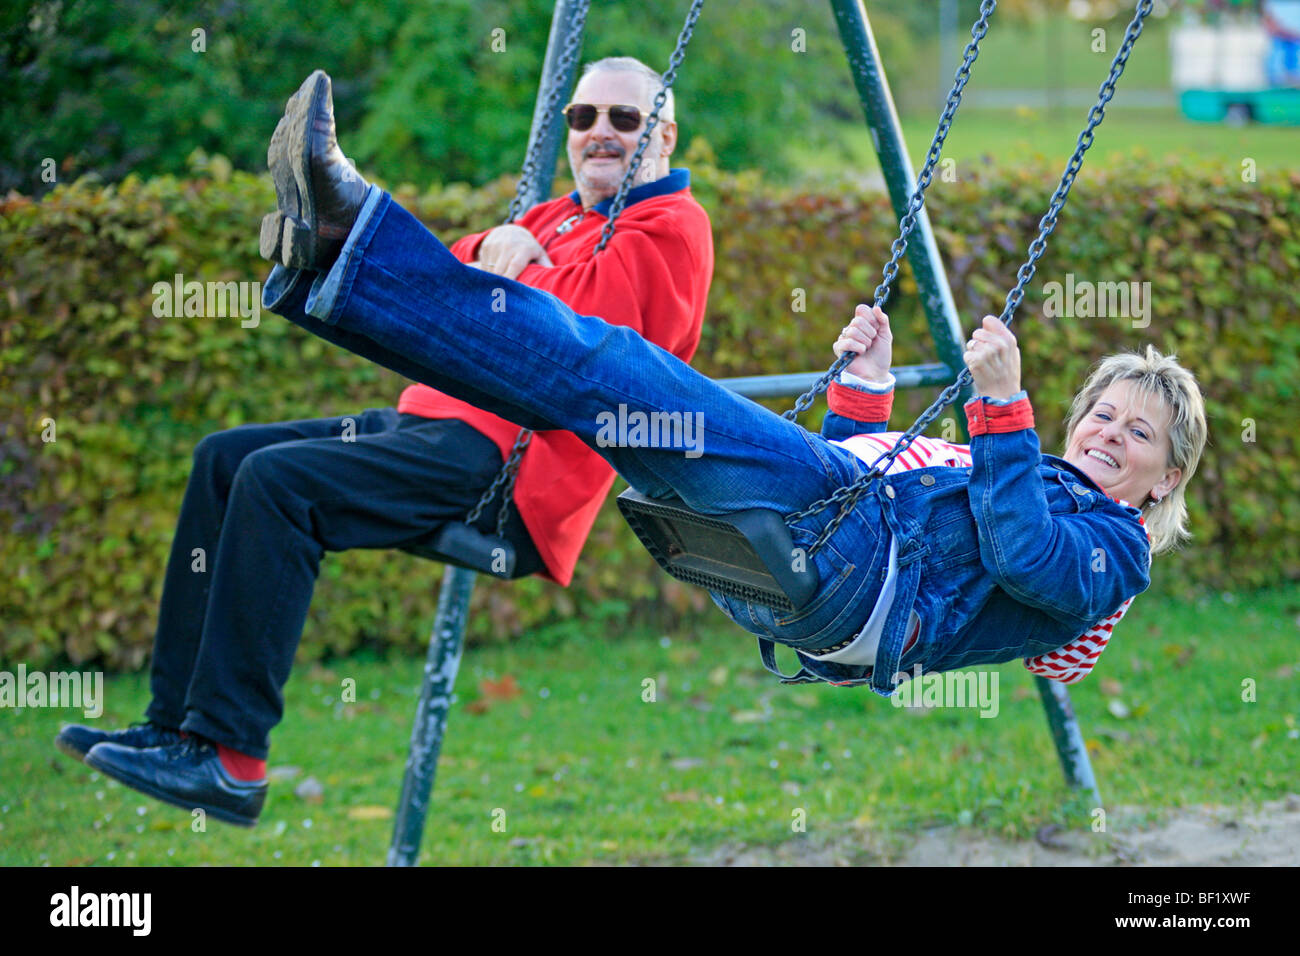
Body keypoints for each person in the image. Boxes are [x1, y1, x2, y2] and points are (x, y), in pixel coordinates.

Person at [226, 68, 1207, 711]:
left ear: (1165, 479)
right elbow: (873, 473)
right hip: (831, 542)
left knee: (620, 371)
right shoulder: (1017, 470)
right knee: (603, 389)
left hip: (856, 570)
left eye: (1140, 434)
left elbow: (1025, 558)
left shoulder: (1110, 549)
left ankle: (349, 246)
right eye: (1104, 414)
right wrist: (861, 395)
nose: (1111, 433)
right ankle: (330, 271)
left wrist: (1001, 408)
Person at [57, 59, 714, 828]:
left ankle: (231, 761)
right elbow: (456, 269)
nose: (600, 133)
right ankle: (173, 729)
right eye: (584, 117)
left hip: (506, 467)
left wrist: (504, 266)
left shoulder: (672, 226)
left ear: (663, 135)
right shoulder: (552, 217)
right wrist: (502, 246)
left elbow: (582, 353)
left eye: (624, 120)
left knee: (279, 484)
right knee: (224, 460)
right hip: (431, 422)